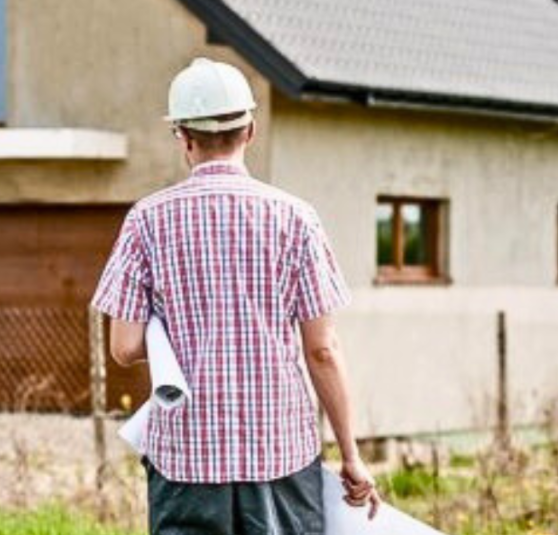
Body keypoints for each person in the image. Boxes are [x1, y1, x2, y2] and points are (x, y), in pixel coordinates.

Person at [92, 57, 380, 535]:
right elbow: (323, 350)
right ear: (250, 130)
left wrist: (181, 330)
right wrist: (350, 456)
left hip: (185, 460)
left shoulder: (145, 220)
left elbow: (123, 348)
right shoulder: (296, 219)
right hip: (280, 454)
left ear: (183, 138)